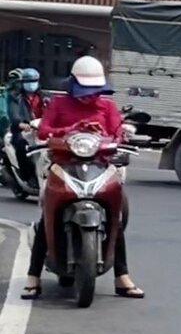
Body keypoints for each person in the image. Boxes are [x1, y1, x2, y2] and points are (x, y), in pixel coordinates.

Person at [23, 56, 142, 299]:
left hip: (100, 165)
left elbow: (118, 134)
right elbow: (44, 131)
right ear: (73, 84)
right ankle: (33, 276)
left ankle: (122, 276)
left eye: (94, 91)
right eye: (84, 91)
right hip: (63, 164)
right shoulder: (58, 104)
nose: (89, 96)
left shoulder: (107, 107)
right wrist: (69, 130)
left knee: (115, 219)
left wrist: (114, 138)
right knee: (48, 216)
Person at [5, 67, 45, 192]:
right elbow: (14, 114)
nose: (31, 84)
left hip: (41, 129)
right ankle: (28, 176)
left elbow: (52, 112)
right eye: (28, 81)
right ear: (22, 83)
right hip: (22, 130)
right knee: (22, 146)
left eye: (34, 81)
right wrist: (21, 124)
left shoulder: (44, 97)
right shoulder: (15, 97)